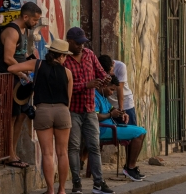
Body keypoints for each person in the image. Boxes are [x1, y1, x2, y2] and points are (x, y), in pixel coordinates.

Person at [7, 40, 73, 194]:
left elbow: (11, 67)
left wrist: (25, 76)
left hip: (43, 111)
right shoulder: (68, 73)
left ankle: (50, 190)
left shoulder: (37, 64)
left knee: (47, 153)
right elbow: (68, 100)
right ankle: (62, 190)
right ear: (62, 56)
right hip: (62, 111)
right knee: (62, 152)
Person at [63, 27, 113, 194]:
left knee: (93, 145)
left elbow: (100, 72)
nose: (81, 47)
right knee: (74, 147)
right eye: (78, 44)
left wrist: (105, 79)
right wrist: (86, 85)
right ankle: (76, 182)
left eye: (83, 43)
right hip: (73, 110)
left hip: (90, 109)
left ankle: (99, 182)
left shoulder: (89, 55)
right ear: (69, 42)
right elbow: (64, 86)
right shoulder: (64, 59)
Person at [0, 2, 43, 168]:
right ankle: (9, 154)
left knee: (22, 115)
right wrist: (22, 72)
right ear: (25, 17)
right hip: (11, 80)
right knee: (11, 116)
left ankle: (13, 151)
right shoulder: (11, 31)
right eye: (35, 20)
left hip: (21, 81)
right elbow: (8, 58)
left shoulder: (24, 31)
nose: (36, 23)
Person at [94, 78, 148, 182]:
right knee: (139, 133)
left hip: (112, 127)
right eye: (111, 89)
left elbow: (111, 109)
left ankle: (129, 166)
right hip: (104, 130)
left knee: (141, 131)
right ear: (104, 86)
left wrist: (121, 113)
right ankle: (130, 168)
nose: (112, 92)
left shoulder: (104, 97)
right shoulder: (95, 96)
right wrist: (110, 115)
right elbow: (95, 117)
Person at [98, 55, 137, 126]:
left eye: (111, 70)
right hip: (110, 106)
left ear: (113, 64)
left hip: (125, 104)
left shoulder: (121, 67)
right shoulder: (100, 70)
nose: (111, 74)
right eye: (108, 73)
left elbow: (119, 89)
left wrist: (121, 110)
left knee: (130, 129)